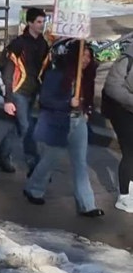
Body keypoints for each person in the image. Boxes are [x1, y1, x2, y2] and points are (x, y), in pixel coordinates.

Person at [23, 39, 104, 217]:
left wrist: (87, 110)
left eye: (89, 57)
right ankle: (33, 189)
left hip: (78, 122)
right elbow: (45, 100)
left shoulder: (87, 76)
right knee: (51, 159)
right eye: (83, 56)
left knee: (80, 164)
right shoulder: (57, 74)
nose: (86, 60)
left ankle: (87, 204)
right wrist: (68, 102)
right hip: (58, 123)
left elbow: (88, 98)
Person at [0, 7, 50, 174]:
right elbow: (7, 72)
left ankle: (2, 156)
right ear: (30, 23)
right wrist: (8, 98)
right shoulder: (19, 44)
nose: (42, 25)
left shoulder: (43, 43)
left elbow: (44, 68)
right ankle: (34, 164)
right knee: (27, 126)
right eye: (39, 22)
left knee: (20, 127)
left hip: (32, 91)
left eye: (43, 22)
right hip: (18, 90)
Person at [101, 40, 133, 213]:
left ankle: (131, 190)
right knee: (130, 151)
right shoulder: (127, 60)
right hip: (119, 109)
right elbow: (113, 87)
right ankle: (124, 196)